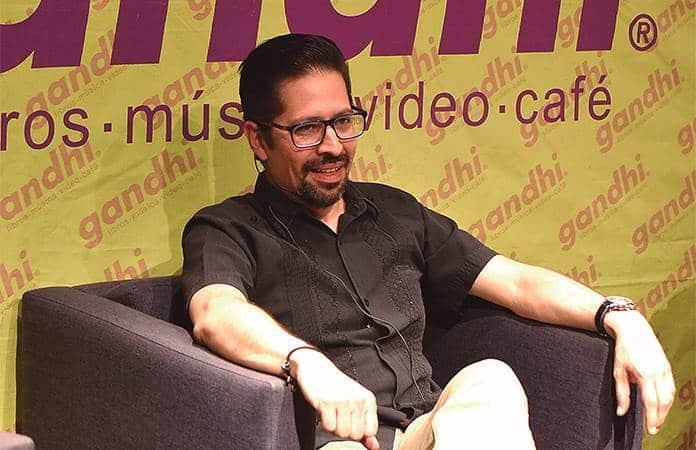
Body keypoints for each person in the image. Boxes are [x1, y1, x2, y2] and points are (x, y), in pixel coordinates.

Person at [181, 33, 674, 450]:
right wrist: (305, 363)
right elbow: (215, 311)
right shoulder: (228, 228)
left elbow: (516, 283)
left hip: (425, 431)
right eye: (307, 128)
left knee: (491, 378)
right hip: (334, 441)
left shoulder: (396, 213)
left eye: (343, 122)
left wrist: (619, 316)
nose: (333, 146)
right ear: (257, 138)